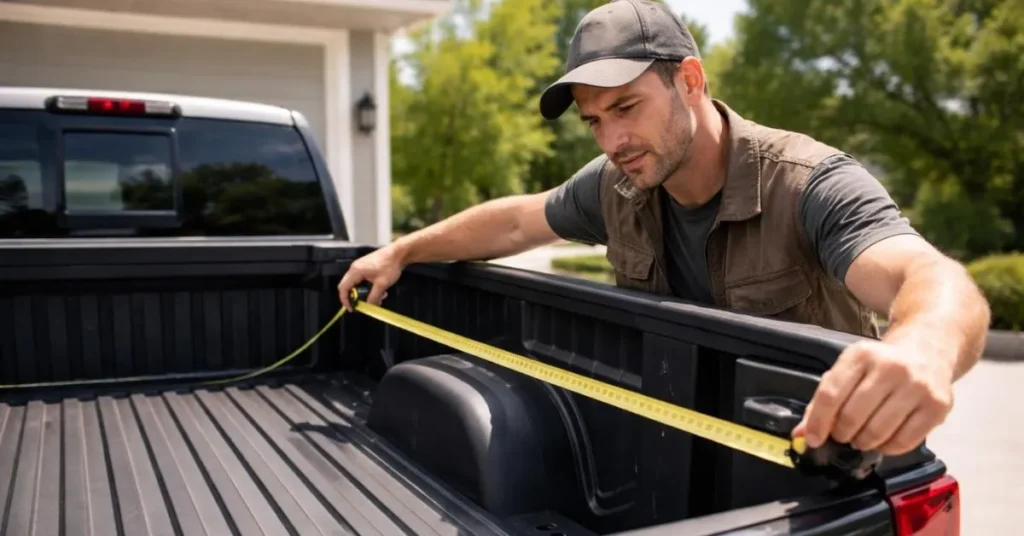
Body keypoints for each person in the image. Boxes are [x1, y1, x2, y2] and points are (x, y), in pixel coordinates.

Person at [337, 0, 990, 457]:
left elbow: (929, 278)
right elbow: (514, 222)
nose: (613, 139)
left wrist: (921, 350)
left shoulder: (808, 181)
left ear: (691, 81)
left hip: (815, 479)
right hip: (673, 457)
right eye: (594, 121)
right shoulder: (619, 182)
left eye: (626, 107)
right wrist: (400, 252)